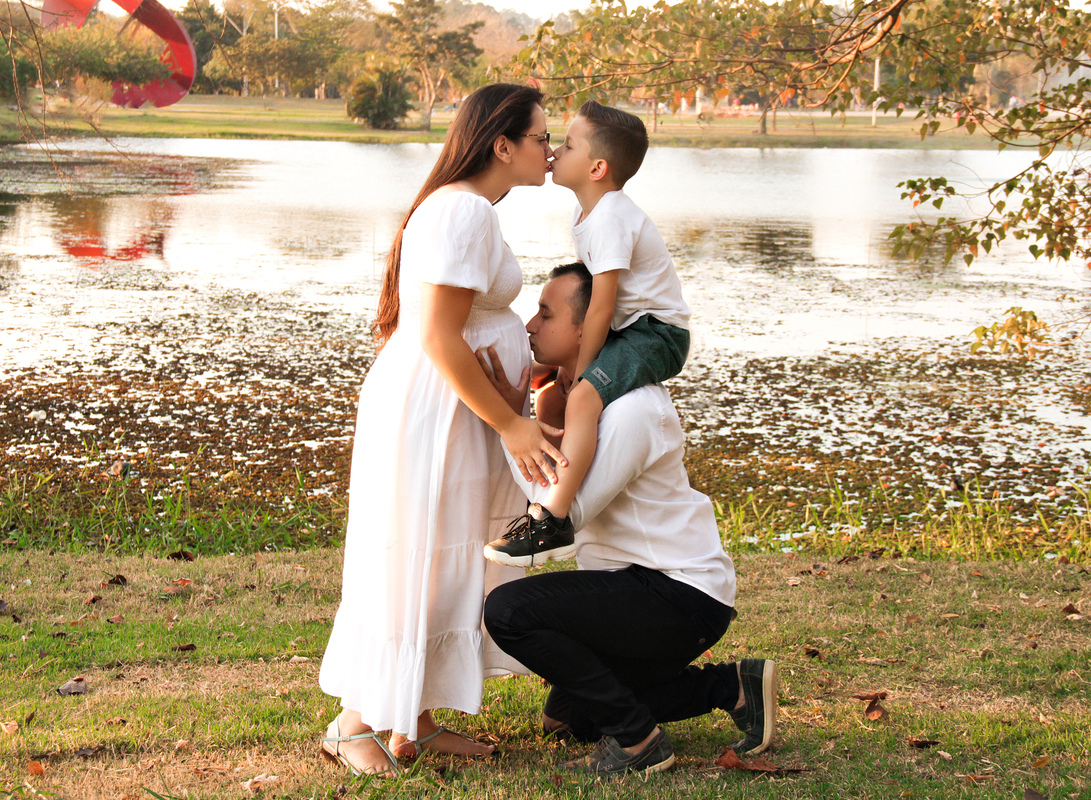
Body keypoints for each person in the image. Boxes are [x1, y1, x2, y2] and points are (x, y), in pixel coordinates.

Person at [318, 83, 565, 778]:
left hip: (453, 407)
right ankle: (354, 723)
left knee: (443, 555)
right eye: (542, 137)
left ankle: (415, 723)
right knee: (416, 554)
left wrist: (517, 383)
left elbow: (459, 328)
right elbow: (438, 336)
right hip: (437, 410)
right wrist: (514, 424)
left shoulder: (467, 210)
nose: (551, 150)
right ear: (503, 144)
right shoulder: (462, 211)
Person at [481, 263, 777, 775]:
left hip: (680, 594)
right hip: (633, 587)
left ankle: (640, 744)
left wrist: (516, 428)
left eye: (546, 314)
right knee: (570, 721)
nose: (530, 325)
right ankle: (729, 687)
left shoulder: (632, 409)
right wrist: (531, 418)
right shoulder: (575, 402)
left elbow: (563, 518)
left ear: (588, 326)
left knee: (509, 611)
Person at [483, 101, 691, 568]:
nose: (555, 149)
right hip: (631, 328)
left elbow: (600, 306)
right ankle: (556, 479)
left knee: (580, 397)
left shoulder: (613, 214)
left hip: (657, 333)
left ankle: (551, 520)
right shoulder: (588, 214)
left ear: (597, 167)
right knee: (556, 397)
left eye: (568, 144)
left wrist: (586, 373)